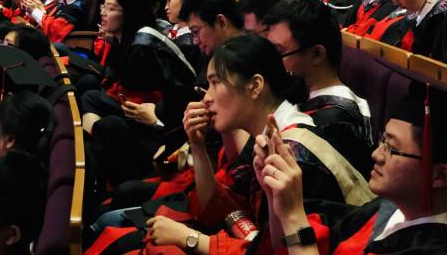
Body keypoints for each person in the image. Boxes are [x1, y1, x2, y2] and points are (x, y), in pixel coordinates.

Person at [137, 35, 373, 254]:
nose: (206, 97)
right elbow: (222, 211)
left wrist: (191, 238)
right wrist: (197, 146)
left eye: (215, 83)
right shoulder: (266, 135)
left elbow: (278, 250)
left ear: (255, 86)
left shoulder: (294, 155)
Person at [251, 84, 447, 255]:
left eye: (392, 149)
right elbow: (286, 246)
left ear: (440, 176)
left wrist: (293, 215)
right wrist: (275, 192)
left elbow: (298, 233)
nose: (376, 154)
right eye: (383, 140)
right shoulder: (386, 211)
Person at [81, 0, 197, 185]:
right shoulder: (127, 39)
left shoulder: (143, 46)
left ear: (129, 13)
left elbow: (141, 101)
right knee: (90, 96)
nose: (103, 13)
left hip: (163, 125)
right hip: (145, 113)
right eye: (103, 6)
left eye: (111, 8)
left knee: (107, 123)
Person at [263, 0, 374, 177]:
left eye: (279, 52)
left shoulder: (334, 122)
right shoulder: (300, 90)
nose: (270, 61)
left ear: (317, 55)